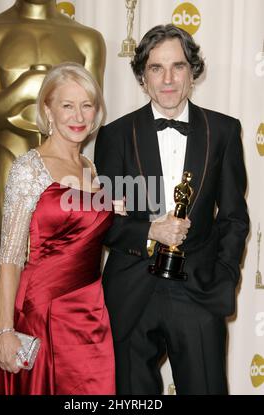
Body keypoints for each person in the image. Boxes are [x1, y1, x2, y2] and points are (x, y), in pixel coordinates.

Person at [95, 24, 249, 395]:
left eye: (177, 66)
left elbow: (233, 217)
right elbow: (104, 221)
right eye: (156, 68)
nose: (167, 79)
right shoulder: (115, 135)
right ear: (142, 76)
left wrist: (223, 277)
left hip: (197, 291)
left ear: (192, 71)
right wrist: (149, 232)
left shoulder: (224, 131)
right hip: (131, 292)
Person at [0, 62, 115, 395]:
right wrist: (4, 330)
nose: (78, 116)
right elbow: (11, 257)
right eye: (67, 105)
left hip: (91, 315)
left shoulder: (92, 167)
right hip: (42, 313)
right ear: (48, 109)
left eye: (87, 105)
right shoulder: (29, 168)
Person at [0, 0, 106, 252]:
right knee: (14, 262)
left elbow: (88, 115)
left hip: (70, 167)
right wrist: (25, 87)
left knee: (71, 263)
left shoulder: (87, 40)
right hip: (12, 158)